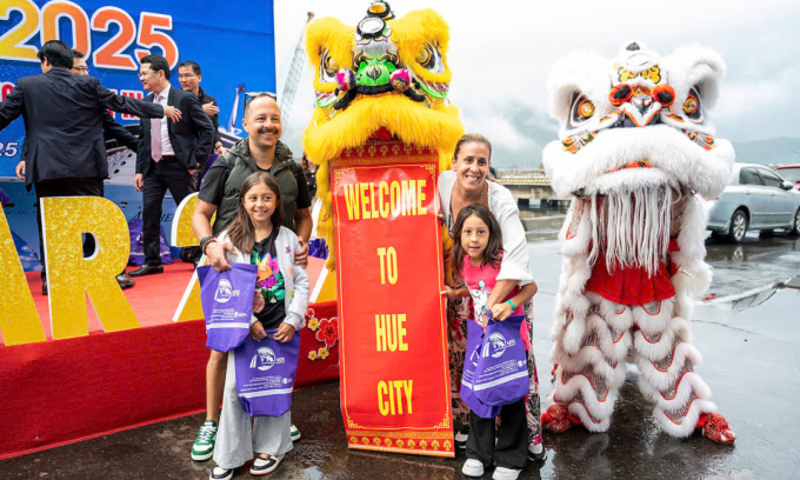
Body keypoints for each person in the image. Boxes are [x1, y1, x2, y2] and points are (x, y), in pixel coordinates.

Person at [0, 40, 180, 295]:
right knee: (95, 223)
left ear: (46, 61)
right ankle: (108, 274)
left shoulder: (27, 85)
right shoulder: (89, 84)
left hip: (47, 169)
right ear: (66, 62)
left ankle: (53, 280)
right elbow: (122, 103)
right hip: (86, 167)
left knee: (51, 226)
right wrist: (160, 109)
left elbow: (3, 115)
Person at [190, 93, 311, 461]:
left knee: (272, 345)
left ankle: (273, 414)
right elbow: (200, 214)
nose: (268, 125)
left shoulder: (291, 168)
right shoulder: (226, 164)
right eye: (260, 119)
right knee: (222, 349)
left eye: (274, 119)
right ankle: (212, 421)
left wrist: (301, 242)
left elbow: (304, 215)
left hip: (274, 272)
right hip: (232, 270)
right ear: (245, 124)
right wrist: (209, 245)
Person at [438, 133, 546, 461]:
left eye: (482, 162)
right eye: (468, 160)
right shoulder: (442, 184)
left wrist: (491, 306)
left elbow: (517, 262)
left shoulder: (501, 200)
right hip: (467, 281)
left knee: (514, 360)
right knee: (466, 357)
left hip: (506, 288)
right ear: (454, 163)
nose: (474, 168)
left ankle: (529, 434)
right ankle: (469, 426)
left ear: (489, 166)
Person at [208, 172, 309, 480]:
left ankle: (273, 448)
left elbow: (301, 282)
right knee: (235, 389)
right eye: (253, 198)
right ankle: (230, 453)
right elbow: (222, 284)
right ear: (243, 201)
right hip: (244, 331)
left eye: (267, 197)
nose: (260, 204)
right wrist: (248, 320)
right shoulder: (229, 239)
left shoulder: (288, 238)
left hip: (280, 330)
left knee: (275, 387)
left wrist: (293, 319)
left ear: (277, 202)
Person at [443, 204, 538, 480]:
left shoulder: (503, 261)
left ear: (491, 234)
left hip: (509, 339)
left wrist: (510, 304)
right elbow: (477, 289)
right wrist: (456, 293)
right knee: (479, 394)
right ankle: (478, 454)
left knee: (509, 396)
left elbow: (531, 287)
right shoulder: (464, 262)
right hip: (482, 340)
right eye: (468, 232)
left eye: (481, 232)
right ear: (459, 234)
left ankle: (511, 458)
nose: (474, 239)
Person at [129, 54, 215, 277]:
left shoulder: (183, 99)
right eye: (140, 74)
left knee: (189, 213)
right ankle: (152, 261)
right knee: (150, 212)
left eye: (144, 73)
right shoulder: (147, 102)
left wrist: (197, 160)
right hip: (153, 168)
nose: (141, 78)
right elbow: (143, 139)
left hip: (180, 166)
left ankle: (198, 257)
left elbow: (207, 129)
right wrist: (139, 170)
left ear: (160, 73)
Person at [178, 60, 225, 190]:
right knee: (186, 195)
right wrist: (201, 111)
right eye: (180, 76)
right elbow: (176, 124)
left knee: (203, 193)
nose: (183, 80)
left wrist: (219, 145)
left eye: (187, 75)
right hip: (184, 157)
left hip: (205, 155)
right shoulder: (175, 99)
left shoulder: (210, 101)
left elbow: (213, 128)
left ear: (199, 77)